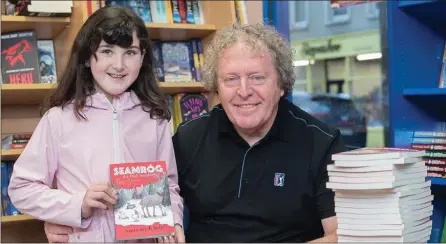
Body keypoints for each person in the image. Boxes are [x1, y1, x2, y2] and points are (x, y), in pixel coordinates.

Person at [43, 23, 346, 242]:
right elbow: (141, 202)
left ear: (281, 84)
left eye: (257, 77)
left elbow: (342, 234)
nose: (244, 91)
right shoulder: (189, 138)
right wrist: (71, 219)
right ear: (216, 88)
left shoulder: (321, 143)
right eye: (231, 79)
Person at [7, 6, 184, 243]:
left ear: (142, 58)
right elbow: (21, 188)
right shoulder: (59, 119)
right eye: (107, 51)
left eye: (130, 52)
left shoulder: (155, 118)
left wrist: (173, 221)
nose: (119, 64)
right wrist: (77, 204)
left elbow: (169, 185)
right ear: (87, 57)